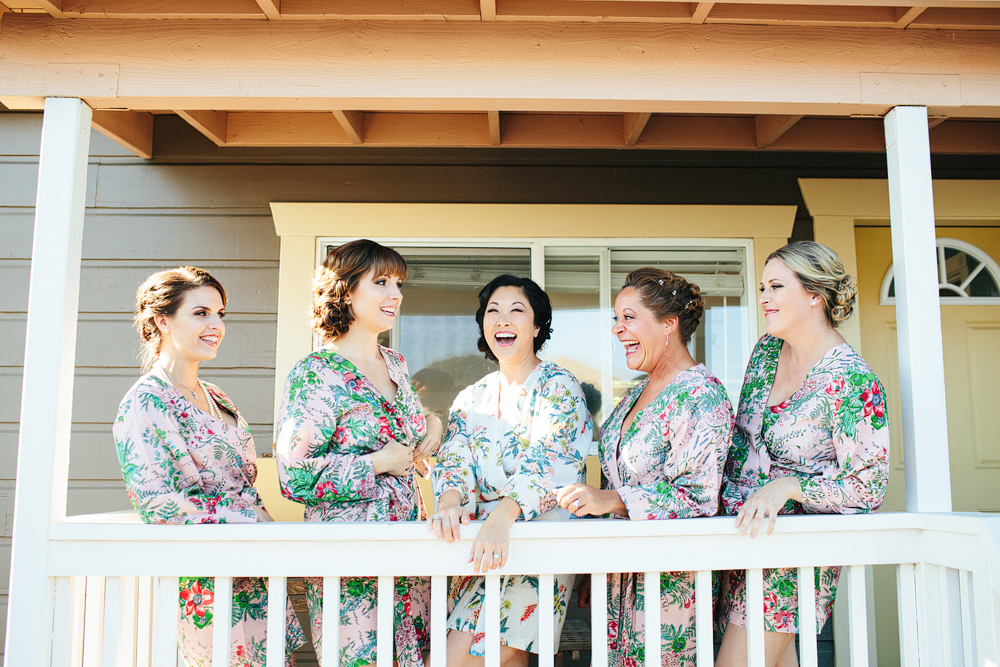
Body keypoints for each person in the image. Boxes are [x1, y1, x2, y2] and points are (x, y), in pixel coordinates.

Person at [113, 266, 305, 667]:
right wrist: (248, 519)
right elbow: (157, 504)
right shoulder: (147, 401)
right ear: (162, 320)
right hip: (201, 577)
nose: (216, 324)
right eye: (200, 313)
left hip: (251, 572)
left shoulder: (215, 395)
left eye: (220, 314)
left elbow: (244, 482)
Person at [716, 241, 890, 667]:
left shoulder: (850, 380)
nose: (763, 298)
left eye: (776, 286)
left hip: (792, 559)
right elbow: (741, 445)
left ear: (815, 294)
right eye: (761, 287)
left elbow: (868, 486)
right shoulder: (765, 353)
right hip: (739, 539)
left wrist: (789, 486)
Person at [275, 239, 444, 667]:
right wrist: (377, 464)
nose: (396, 294)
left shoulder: (396, 364)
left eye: (399, 283)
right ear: (347, 291)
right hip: (351, 558)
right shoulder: (316, 373)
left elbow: (396, 426)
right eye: (382, 282)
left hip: (408, 551)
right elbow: (293, 476)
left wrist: (434, 425)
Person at [555, 268, 734, 667]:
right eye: (615, 319)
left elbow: (698, 497)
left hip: (670, 582)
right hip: (619, 576)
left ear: (669, 324)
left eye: (629, 317)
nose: (618, 329)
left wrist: (611, 500)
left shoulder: (701, 394)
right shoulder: (636, 392)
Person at [428, 274, 593, 667]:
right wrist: (450, 501)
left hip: (534, 543)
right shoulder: (472, 396)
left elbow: (552, 461)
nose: (503, 319)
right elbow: (453, 458)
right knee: (506, 661)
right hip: (479, 549)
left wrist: (504, 517)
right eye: (493, 311)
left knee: (457, 659)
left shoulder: (559, 386)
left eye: (517, 311)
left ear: (537, 326)